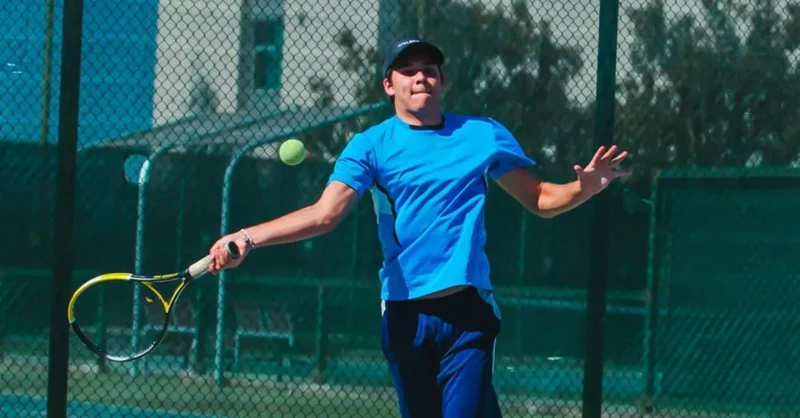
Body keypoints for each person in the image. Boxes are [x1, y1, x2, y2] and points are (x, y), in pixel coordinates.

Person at [208, 37, 631, 417]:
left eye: (429, 69)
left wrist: (585, 187)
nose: (420, 77)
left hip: (469, 314)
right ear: (389, 85)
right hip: (405, 315)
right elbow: (325, 214)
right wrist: (247, 237)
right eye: (407, 70)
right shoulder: (370, 146)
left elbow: (540, 199)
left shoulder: (483, 135)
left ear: (442, 81)